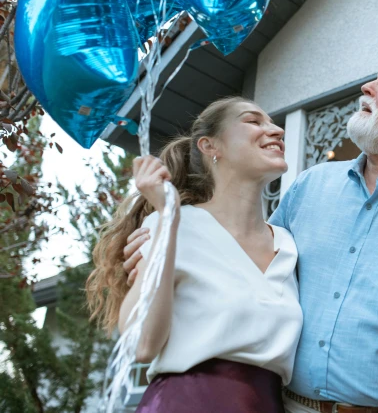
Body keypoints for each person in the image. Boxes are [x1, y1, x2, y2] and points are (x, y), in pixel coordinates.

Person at [122, 59, 378, 413]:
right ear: (210, 146)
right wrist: (162, 239)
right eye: (254, 121)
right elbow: (147, 336)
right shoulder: (310, 186)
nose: (367, 87)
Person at [86, 97, 302, 413]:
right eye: (254, 121)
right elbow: (142, 343)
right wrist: (169, 219)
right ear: (210, 146)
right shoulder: (170, 222)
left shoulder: (289, 245)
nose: (276, 130)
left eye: (272, 123)